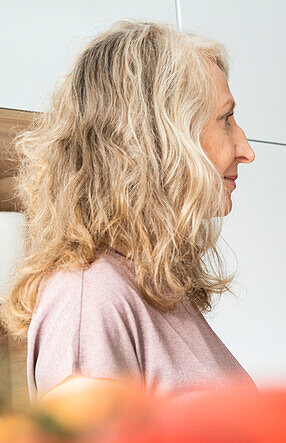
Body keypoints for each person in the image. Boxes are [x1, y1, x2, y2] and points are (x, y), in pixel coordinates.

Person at [1, 21, 254, 396]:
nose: (246, 150)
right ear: (158, 136)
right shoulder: (88, 302)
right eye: (225, 119)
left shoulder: (145, 284)